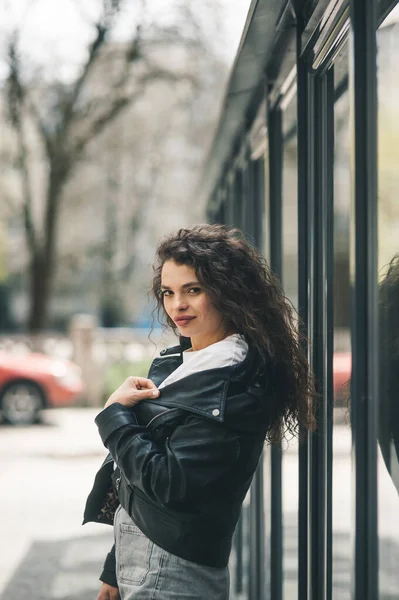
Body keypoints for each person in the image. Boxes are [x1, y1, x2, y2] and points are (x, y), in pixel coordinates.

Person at [83, 224, 316, 600]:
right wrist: (117, 565)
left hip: (170, 572)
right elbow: (144, 489)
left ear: (228, 293)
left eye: (193, 290)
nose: (178, 305)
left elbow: (170, 484)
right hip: (146, 560)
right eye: (169, 292)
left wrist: (114, 416)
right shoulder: (186, 362)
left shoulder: (231, 383)